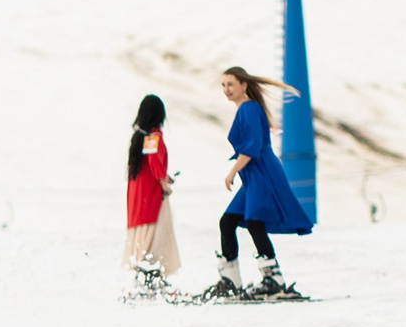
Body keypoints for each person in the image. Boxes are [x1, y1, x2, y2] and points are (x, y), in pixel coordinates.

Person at [204, 67, 313, 300]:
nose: (226, 89)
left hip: (262, 172)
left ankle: (274, 281)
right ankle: (232, 281)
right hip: (254, 174)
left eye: (231, 84)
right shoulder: (247, 110)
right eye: (223, 85)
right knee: (228, 221)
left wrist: (232, 172)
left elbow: (251, 148)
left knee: (254, 222)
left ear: (244, 85)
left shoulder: (249, 109)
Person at [122, 95, 182, 284]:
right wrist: (164, 182)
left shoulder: (140, 136)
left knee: (145, 233)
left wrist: (164, 176)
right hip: (152, 195)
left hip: (138, 195)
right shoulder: (154, 136)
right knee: (158, 233)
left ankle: (145, 270)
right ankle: (152, 271)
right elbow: (154, 162)